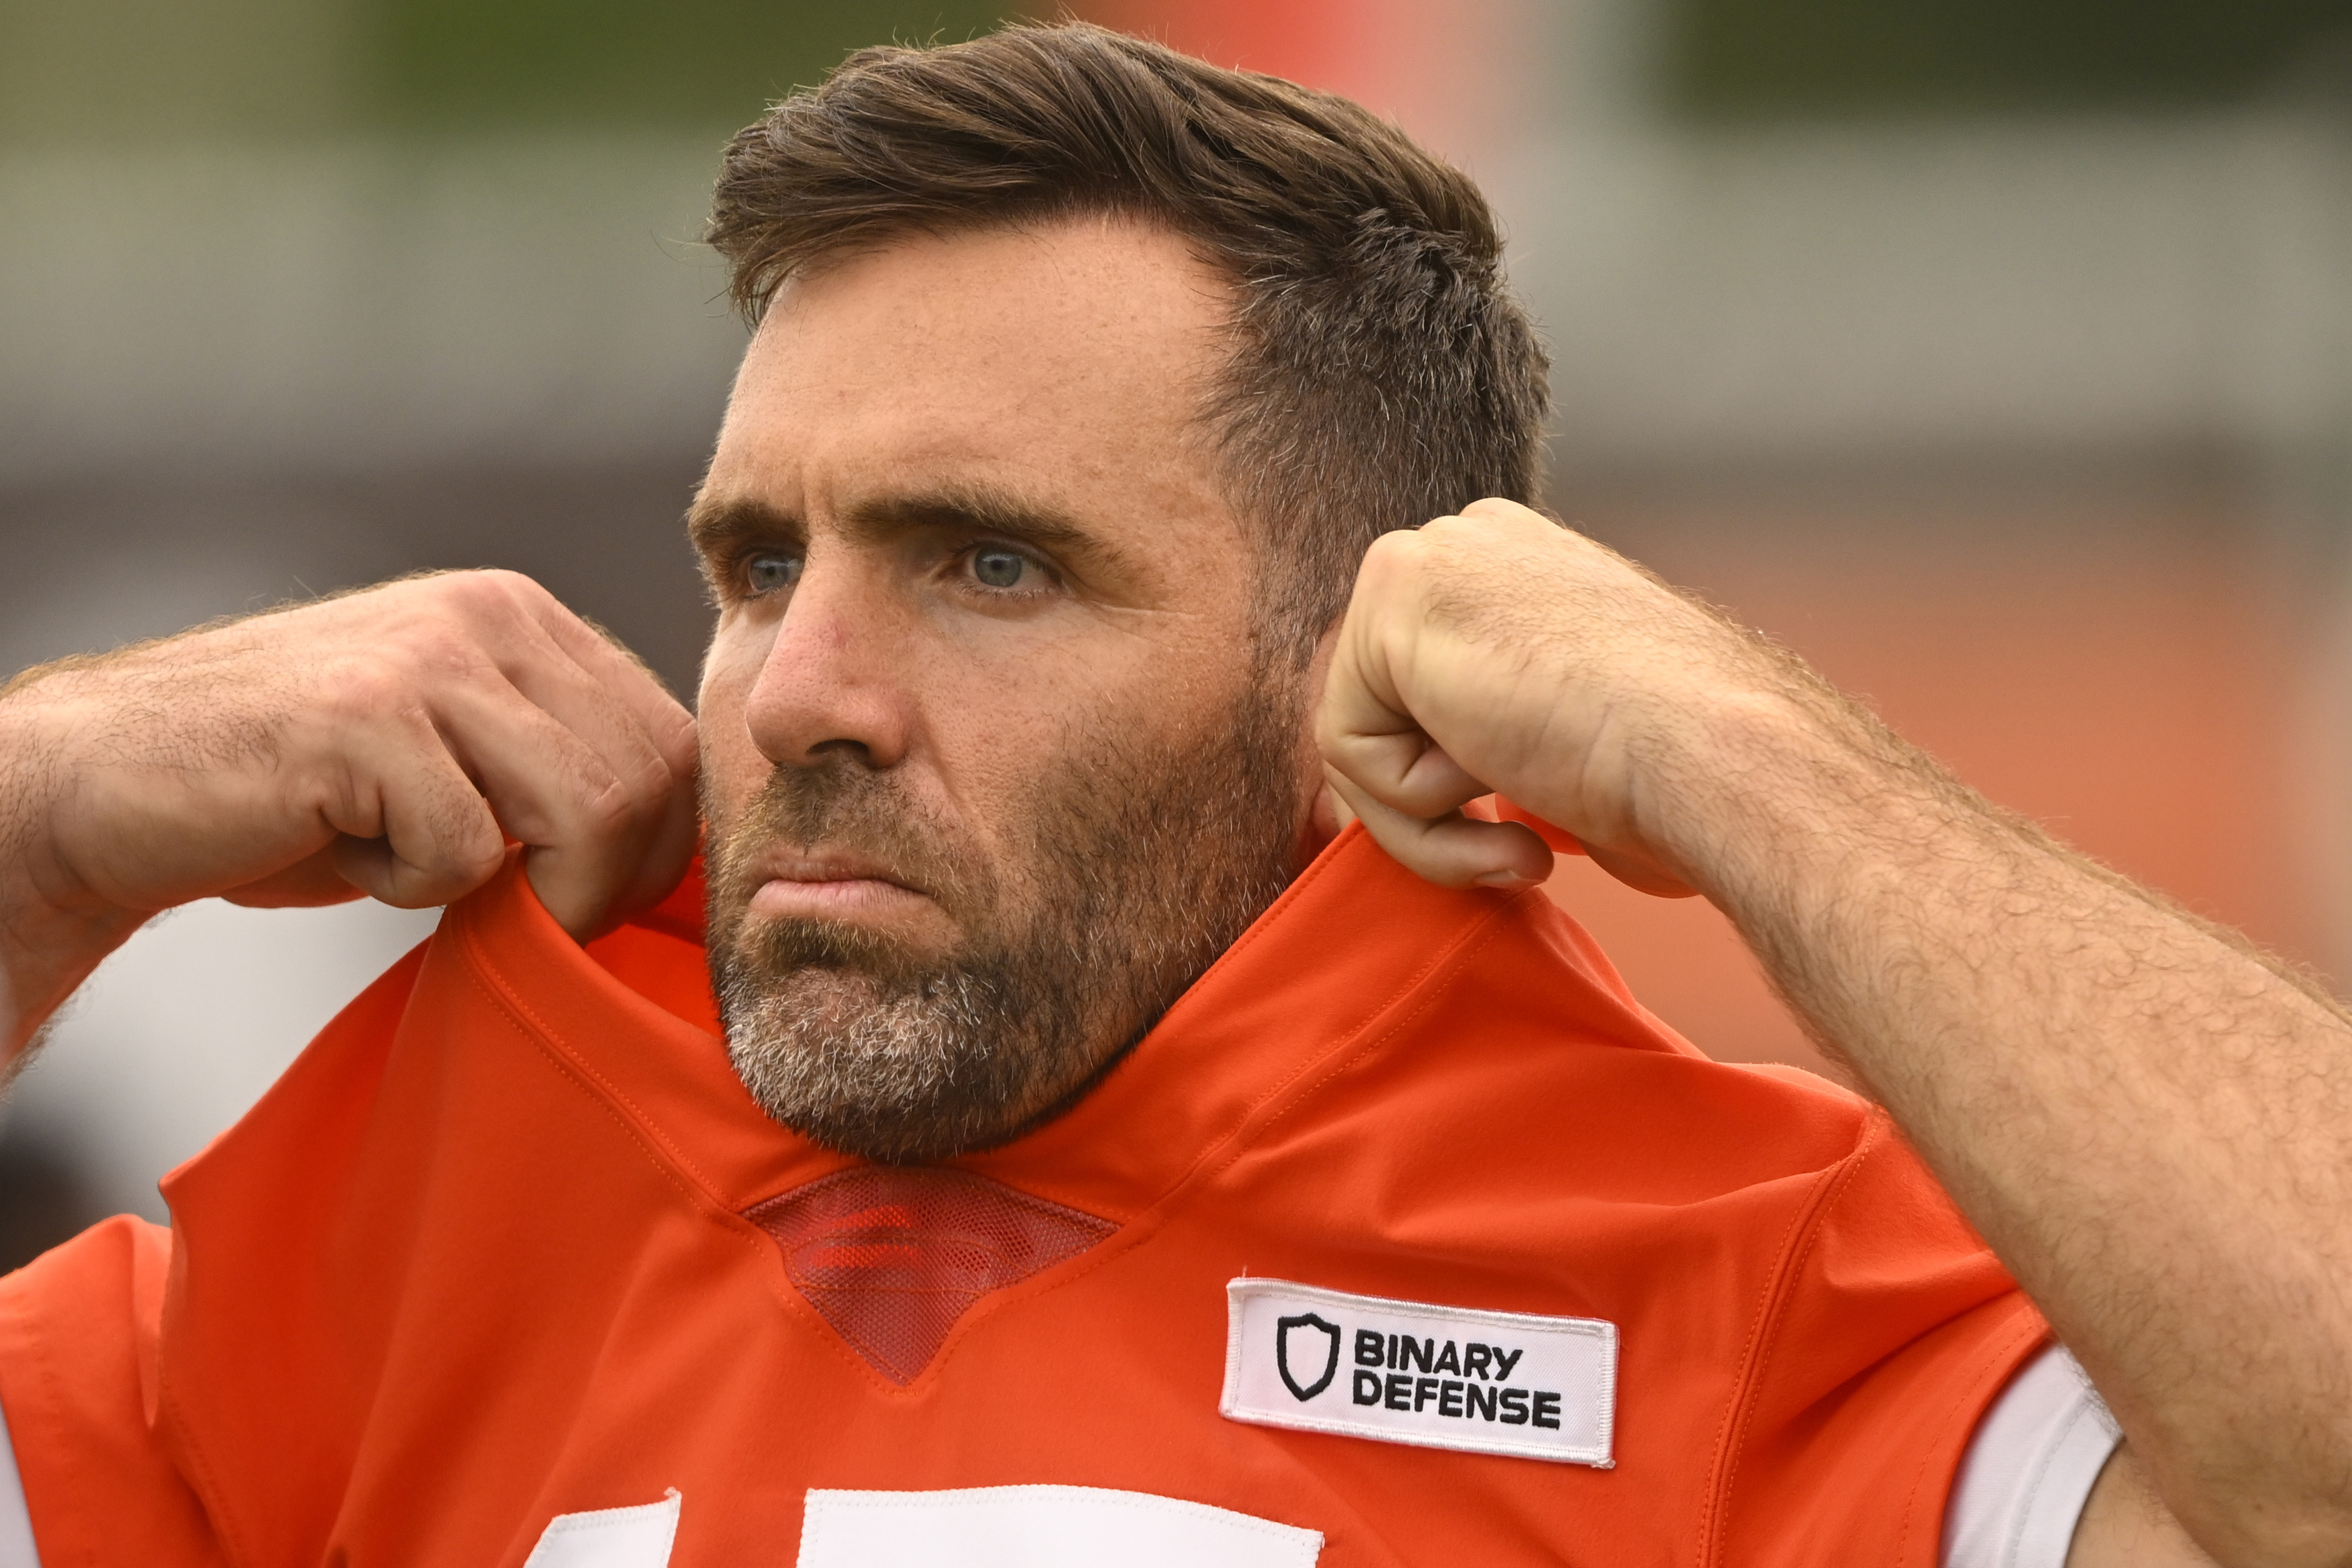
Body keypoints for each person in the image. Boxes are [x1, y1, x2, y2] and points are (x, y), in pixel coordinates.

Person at [0, 22, 2341, 1568]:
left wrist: (1745, 751)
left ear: (1371, 665)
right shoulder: (397, 1240)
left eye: (989, 563)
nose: (797, 690)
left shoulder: (1725, 1289)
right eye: (756, 562)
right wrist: (31, 820)